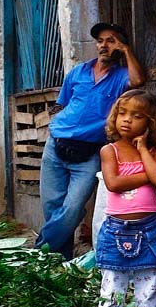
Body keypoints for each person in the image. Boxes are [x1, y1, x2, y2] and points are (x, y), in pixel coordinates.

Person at [35, 22, 147, 259]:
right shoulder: (78, 72)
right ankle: (59, 260)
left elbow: (138, 82)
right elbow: (64, 104)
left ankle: (39, 253)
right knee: (52, 207)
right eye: (100, 41)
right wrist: (56, 128)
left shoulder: (120, 77)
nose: (104, 45)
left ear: (119, 45)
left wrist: (126, 51)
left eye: (110, 40)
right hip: (56, 145)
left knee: (73, 209)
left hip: (88, 154)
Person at [95, 90, 156, 307]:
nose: (127, 119)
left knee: (148, 289)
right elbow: (114, 183)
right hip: (116, 228)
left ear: (150, 123)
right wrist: (146, 176)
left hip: (148, 229)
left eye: (137, 116)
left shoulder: (154, 152)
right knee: (111, 289)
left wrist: (142, 150)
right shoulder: (110, 151)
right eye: (122, 113)